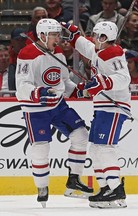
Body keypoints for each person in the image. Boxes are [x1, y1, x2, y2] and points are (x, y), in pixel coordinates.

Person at [15, 18, 93, 208]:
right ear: (42, 35)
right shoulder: (27, 54)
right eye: (54, 35)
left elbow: (62, 81)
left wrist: (79, 90)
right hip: (36, 110)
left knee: (81, 134)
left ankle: (73, 181)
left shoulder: (57, 52)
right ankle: (42, 188)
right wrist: (38, 93)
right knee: (41, 147)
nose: (59, 39)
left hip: (58, 105)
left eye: (59, 34)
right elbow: (21, 86)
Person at [61, 20, 130, 208]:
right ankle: (105, 188)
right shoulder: (99, 51)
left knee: (105, 147)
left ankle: (116, 189)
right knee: (96, 149)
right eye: (95, 34)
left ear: (107, 38)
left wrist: (103, 83)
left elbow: (124, 78)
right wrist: (74, 33)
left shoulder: (113, 52)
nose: (95, 38)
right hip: (103, 107)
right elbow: (85, 45)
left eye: (99, 35)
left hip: (114, 107)